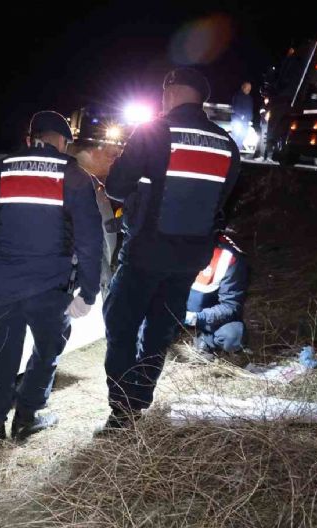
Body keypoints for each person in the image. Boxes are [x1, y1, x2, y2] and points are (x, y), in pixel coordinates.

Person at [101, 67, 241, 431]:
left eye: (164, 91)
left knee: (121, 325)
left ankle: (122, 409)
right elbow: (222, 203)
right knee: (160, 332)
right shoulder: (226, 143)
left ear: (173, 91)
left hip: (145, 253)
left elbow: (115, 187)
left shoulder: (154, 131)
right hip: (188, 261)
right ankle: (141, 397)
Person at [0, 110, 103, 441]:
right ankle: (27, 418)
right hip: (50, 287)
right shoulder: (73, 176)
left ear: (31, 137)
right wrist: (87, 292)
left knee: (1, 353)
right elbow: (90, 239)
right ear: (62, 142)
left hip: (4, 286)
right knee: (47, 352)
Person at [184, 234, 249, 353]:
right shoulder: (171, 247)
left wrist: (196, 318)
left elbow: (231, 306)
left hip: (207, 316)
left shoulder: (228, 257)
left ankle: (206, 340)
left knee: (232, 336)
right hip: (174, 310)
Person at [231, 81, 254, 150]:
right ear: (243, 87)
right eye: (247, 88)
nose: (249, 89)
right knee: (236, 135)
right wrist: (241, 115)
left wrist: (250, 117)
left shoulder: (250, 98)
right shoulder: (238, 96)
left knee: (243, 135)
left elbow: (250, 108)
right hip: (237, 119)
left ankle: (238, 149)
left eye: (250, 88)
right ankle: (234, 150)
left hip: (246, 121)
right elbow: (235, 107)